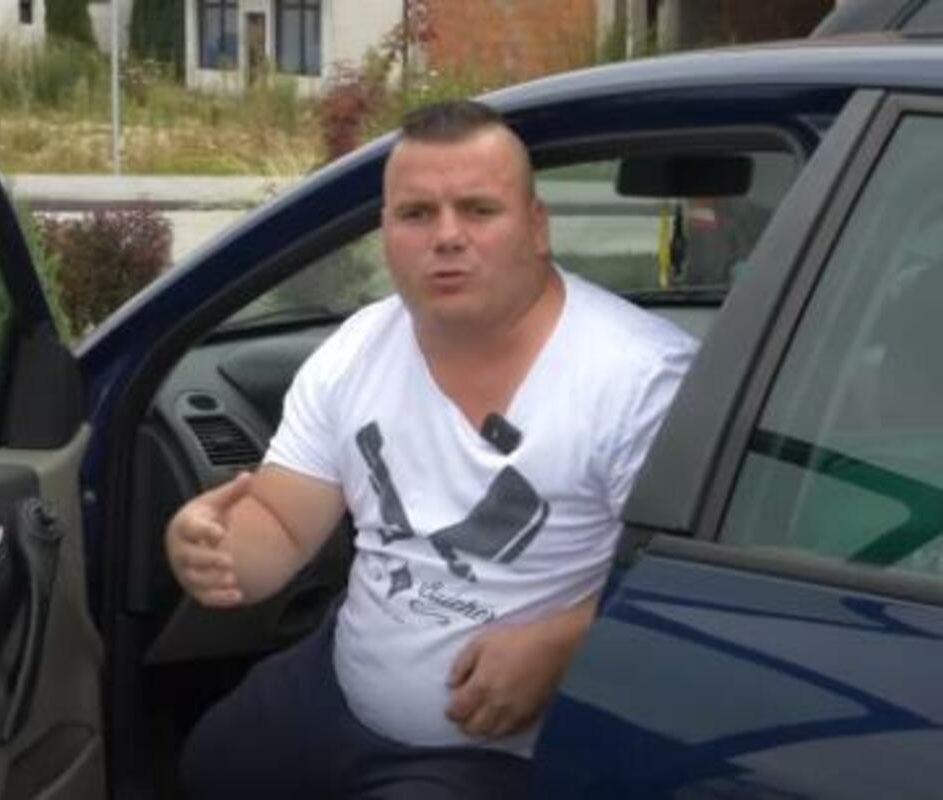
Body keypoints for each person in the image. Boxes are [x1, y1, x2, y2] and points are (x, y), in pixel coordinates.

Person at [167, 100, 697, 799]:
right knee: (211, 761)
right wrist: (210, 548)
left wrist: (569, 644)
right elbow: (282, 525)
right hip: (336, 691)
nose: (446, 237)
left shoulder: (639, 378)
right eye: (416, 214)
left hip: (502, 755)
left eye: (478, 210)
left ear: (537, 228)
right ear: (385, 233)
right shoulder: (358, 349)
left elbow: (693, 595)